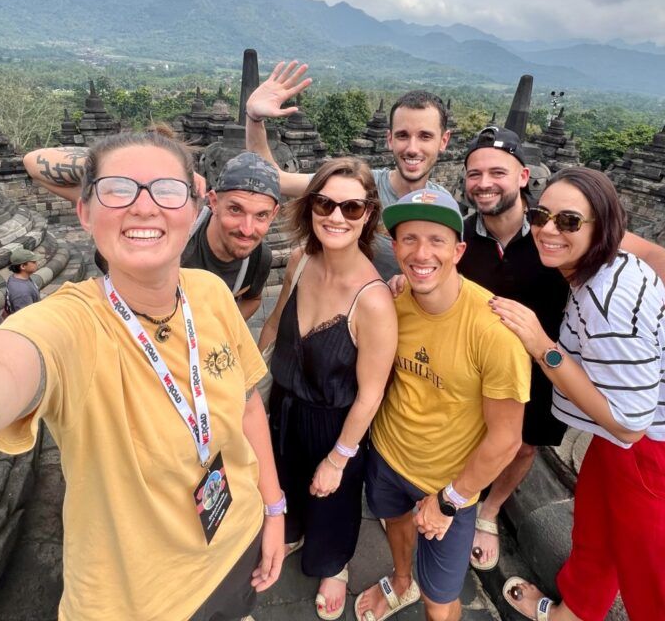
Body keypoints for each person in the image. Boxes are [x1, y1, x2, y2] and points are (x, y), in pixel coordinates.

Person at [0, 131, 288, 621]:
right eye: (118, 190)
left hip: (239, 536)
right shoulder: (71, 326)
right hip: (142, 598)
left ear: (193, 211)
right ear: (84, 213)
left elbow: (248, 401)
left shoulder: (211, 293)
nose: (145, 207)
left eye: (165, 191)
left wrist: (274, 509)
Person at [492, 167, 665, 621]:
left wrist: (542, 347)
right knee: (596, 533)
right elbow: (656, 254)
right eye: (540, 214)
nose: (548, 229)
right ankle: (573, 612)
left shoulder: (608, 303)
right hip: (628, 444)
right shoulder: (602, 258)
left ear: (603, 227)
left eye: (569, 221)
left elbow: (628, 425)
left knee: (664, 603)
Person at [454, 126, 665, 571]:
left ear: (523, 176)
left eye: (498, 171)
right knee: (471, 434)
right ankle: (457, 496)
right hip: (477, 364)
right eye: (474, 173)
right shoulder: (462, 232)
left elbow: (659, 257)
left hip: (552, 367)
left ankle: (489, 511)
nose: (484, 182)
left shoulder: (567, 230)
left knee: (526, 446)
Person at [354, 189, 531, 621]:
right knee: (394, 524)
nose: (421, 253)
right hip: (388, 455)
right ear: (394, 248)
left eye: (436, 240)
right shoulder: (391, 304)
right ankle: (399, 581)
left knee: (440, 602)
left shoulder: (494, 333)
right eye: (409, 239)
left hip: (449, 483)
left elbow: (507, 439)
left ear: (459, 249)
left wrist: (450, 499)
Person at [258, 157, 397, 620]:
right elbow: (276, 324)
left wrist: (339, 458)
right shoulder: (300, 260)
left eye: (351, 208)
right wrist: (246, 381)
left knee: (331, 499)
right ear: (311, 207)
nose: (336, 217)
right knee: (286, 481)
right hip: (285, 405)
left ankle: (334, 564)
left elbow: (370, 394)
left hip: (335, 421)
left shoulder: (373, 300)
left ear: (368, 214)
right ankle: (293, 529)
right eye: (325, 203)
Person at [244, 60, 452, 278]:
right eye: (402, 135)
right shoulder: (360, 186)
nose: (412, 148)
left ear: (444, 140)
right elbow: (277, 179)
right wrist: (254, 118)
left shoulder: (444, 204)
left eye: (425, 136)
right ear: (389, 139)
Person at [25, 142, 279, 320]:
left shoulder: (257, 259)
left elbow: (253, 299)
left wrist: (221, 327)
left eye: (261, 216)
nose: (247, 229)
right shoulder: (176, 227)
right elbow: (34, 163)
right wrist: (163, 171)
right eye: (235, 210)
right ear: (212, 201)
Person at [5, 247, 42, 314]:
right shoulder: (22, 293)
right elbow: (27, 318)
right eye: (33, 262)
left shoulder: (15, 277)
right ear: (23, 266)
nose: (37, 263)